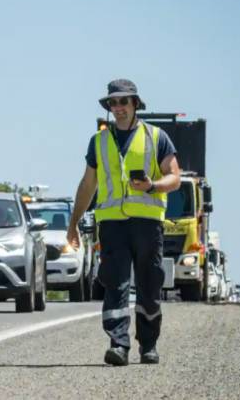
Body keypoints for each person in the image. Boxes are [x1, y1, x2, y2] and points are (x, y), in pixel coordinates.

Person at [66, 79, 181, 366]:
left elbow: (175, 177)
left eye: (123, 102)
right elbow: (87, 184)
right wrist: (73, 222)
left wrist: (152, 185)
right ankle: (118, 344)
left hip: (147, 224)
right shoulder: (99, 141)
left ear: (135, 104)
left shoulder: (157, 137)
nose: (118, 108)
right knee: (115, 284)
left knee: (149, 285)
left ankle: (149, 345)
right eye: (112, 103)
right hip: (112, 225)